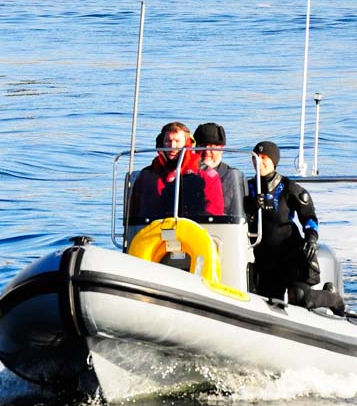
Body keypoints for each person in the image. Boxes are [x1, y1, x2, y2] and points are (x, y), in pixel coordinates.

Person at [244, 141, 345, 314]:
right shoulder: (247, 188)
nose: (259, 162)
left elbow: (309, 218)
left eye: (264, 158)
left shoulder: (288, 188)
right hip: (264, 257)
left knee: (300, 297)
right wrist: (251, 206)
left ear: (274, 161)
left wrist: (311, 239)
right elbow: (237, 215)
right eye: (256, 158)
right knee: (268, 304)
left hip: (290, 254)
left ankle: (333, 298)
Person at [129, 121, 224, 220]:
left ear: (187, 143)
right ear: (161, 143)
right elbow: (135, 212)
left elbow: (214, 212)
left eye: (177, 141)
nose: (172, 146)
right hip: (153, 230)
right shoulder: (147, 175)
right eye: (168, 141)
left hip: (195, 231)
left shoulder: (207, 175)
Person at [193, 122, 246, 218]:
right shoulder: (185, 176)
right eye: (202, 145)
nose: (207, 151)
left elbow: (239, 216)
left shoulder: (233, 178)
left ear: (221, 148)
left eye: (212, 146)